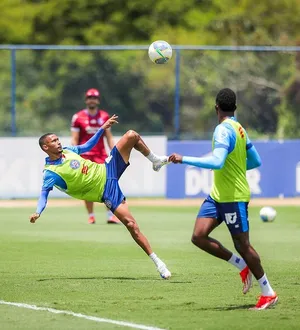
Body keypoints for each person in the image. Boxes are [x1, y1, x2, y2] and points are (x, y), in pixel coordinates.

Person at [169, 88, 278, 310]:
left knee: (243, 245)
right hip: (217, 195)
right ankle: (241, 266)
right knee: (198, 236)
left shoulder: (222, 130)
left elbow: (218, 162)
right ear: (235, 108)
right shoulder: (240, 129)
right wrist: (235, 168)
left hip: (233, 197)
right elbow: (255, 161)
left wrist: (183, 159)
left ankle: (268, 292)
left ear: (216, 107)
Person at [29, 115, 171, 280]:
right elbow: (43, 195)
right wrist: (38, 212)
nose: (58, 142)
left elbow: (88, 145)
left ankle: (156, 161)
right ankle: (159, 263)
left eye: (57, 139)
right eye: (53, 141)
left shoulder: (68, 151)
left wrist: (102, 128)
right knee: (131, 225)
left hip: (107, 169)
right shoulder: (50, 173)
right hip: (106, 192)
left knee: (131, 135)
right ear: (45, 147)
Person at [71, 88, 119, 224]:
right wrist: (75, 156)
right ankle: (91, 215)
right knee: (87, 186)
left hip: (101, 155)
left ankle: (111, 215)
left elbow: (109, 137)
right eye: (89, 98)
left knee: (108, 183)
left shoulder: (104, 116)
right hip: (85, 157)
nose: (92, 100)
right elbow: (74, 139)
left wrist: (113, 152)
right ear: (86, 100)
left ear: (97, 100)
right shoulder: (78, 117)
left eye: (94, 98)